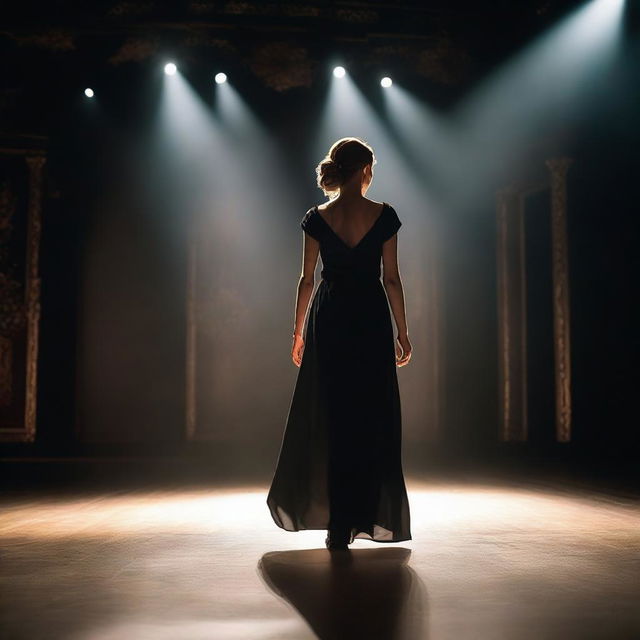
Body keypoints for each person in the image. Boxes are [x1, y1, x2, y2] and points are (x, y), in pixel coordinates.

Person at [266, 136, 412, 551]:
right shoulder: (384, 216)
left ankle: (337, 523)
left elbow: (307, 280)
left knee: (332, 413)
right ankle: (358, 514)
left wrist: (297, 332)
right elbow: (392, 279)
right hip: (368, 316)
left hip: (329, 318)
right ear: (365, 170)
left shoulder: (317, 217)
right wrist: (402, 332)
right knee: (368, 413)